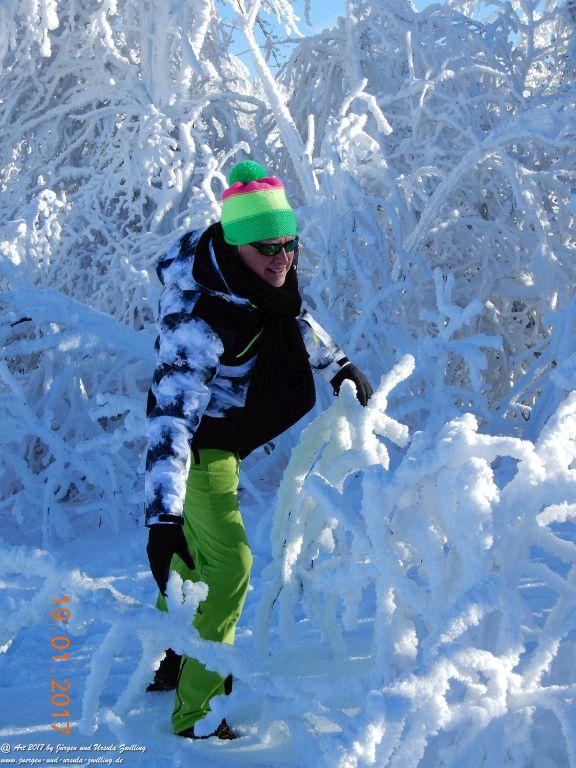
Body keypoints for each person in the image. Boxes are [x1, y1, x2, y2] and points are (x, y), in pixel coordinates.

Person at [144, 160, 373, 740]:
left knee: (197, 561)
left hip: (225, 438)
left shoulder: (256, 281)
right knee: (230, 568)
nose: (283, 258)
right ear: (236, 243)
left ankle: (174, 656)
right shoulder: (198, 320)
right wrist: (163, 514)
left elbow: (295, 321)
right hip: (197, 449)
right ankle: (196, 715)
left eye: (290, 243)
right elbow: (171, 417)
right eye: (268, 246)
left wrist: (337, 365)